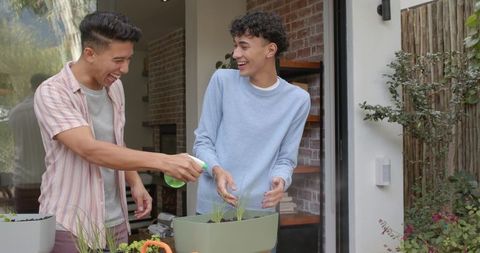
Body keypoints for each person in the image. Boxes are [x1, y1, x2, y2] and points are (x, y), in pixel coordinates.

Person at [33, 11, 203, 252]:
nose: (125, 69)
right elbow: (89, 149)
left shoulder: (115, 88)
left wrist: (134, 181)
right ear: (89, 53)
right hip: (70, 223)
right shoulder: (52, 92)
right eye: (118, 60)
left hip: (115, 220)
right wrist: (164, 161)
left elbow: (115, 143)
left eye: (129, 59)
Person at [193, 11, 311, 215]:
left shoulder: (297, 100)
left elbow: (286, 159)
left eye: (244, 46)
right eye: (235, 45)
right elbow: (203, 141)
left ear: (270, 50)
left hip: (260, 210)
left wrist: (281, 179)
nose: (236, 53)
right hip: (213, 207)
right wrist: (216, 170)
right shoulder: (222, 81)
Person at [8, 73, 49, 213]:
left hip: (23, 182)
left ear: (31, 86)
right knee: (53, 231)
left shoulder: (15, 113)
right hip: (49, 180)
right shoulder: (52, 112)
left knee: (26, 229)